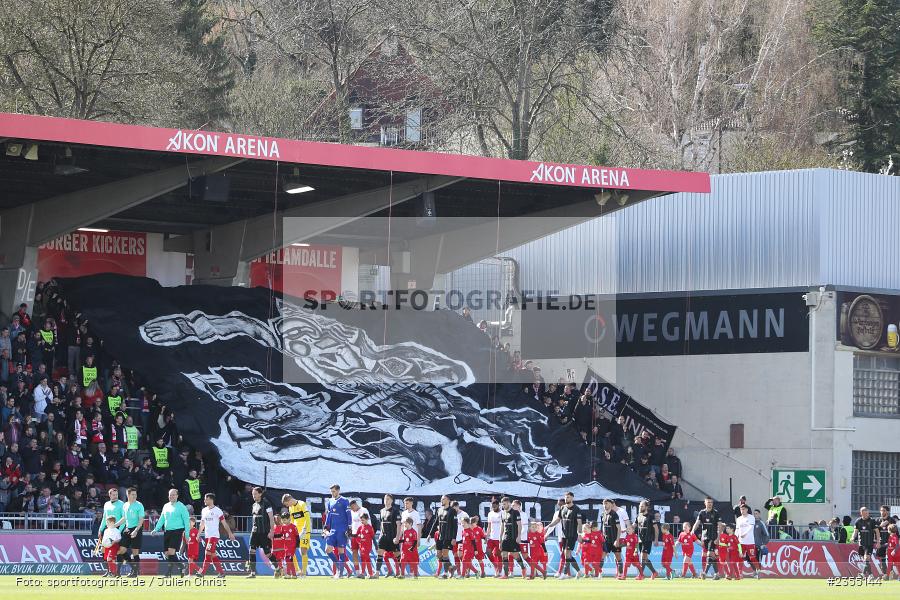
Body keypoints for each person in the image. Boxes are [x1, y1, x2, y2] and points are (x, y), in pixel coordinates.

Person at [152, 488, 191, 576]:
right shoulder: (166, 506)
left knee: (171, 552)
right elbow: (162, 518)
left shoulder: (181, 506)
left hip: (177, 531)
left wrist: (187, 535)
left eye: (173, 494)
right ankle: (181, 567)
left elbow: (186, 521)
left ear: (177, 496)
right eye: (170, 495)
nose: (171, 496)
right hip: (167, 531)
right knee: (167, 553)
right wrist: (156, 529)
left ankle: (168, 573)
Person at [544, 491, 582, 578]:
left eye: (568, 497)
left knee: (567, 553)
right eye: (565, 497)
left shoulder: (577, 509)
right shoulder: (563, 508)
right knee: (567, 555)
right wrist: (548, 526)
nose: (566, 498)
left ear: (572, 498)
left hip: (572, 535)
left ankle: (564, 574)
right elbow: (557, 520)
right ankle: (579, 571)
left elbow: (579, 523)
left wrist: (580, 534)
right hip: (564, 535)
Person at [197, 492, 235, 578]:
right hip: (207, 535)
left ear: (211, 499)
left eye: (206, 499)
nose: (204, 500)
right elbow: (202, 523)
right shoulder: (204, 510)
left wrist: (230, 534)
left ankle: (202, 572)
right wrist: (198, 534)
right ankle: (221, 573)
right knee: (213, 555)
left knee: (207, 552)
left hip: (214, 536)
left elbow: (224, 523)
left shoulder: (218, 510)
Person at [323, 483, 352, 579]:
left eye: (334, 491)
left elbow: (349, 515)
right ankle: (339, 567)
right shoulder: (330, 501)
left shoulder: (344, 501)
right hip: (332, 530)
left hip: (342, 530)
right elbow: (329, 515)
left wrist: (349, 527)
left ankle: (340, 573)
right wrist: (326, 527)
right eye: (331, 491)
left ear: (338, 490)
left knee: (341, 551)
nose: (332, 493)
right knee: (327, 550)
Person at [114, 487, 145, 578]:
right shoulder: (125, 505)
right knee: (121, 551)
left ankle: (134, 573)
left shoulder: (139, 505)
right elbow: (124, 518)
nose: (134, 496)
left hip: (136, 529)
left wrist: (136, 530)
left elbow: (141, 519)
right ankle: (118, 572)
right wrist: (115, 525)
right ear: (128, 495)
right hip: (127, 529)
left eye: (135, 494)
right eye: (132, 494)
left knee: (135, 552)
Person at [247, 486, 274, 578]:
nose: (253, 496)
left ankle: (278, 568)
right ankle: (253, 573)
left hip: (264, 532)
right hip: (254, 531)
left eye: (255, 494)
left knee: (267, 553)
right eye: (252, 494)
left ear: (260, 493)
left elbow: (271, 518)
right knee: (251, 550)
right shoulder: (254, 505)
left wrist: (271, 531)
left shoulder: (266, 503)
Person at [282, 493, 312, 577]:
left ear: (289, 500)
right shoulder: (291, 508)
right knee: (291, 551)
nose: (287, 506)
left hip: (305, 531)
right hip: (295, 532)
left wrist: (304, 530)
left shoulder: (302, 504)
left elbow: (307, 517)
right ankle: (297, 570)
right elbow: (291, 521)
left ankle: (304, 573)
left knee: (303, 551)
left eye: (287, 504)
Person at [692, 497, 721, 580]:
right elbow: (697, 523)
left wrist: (718, 537)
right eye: (708, 502)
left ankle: (704, 573)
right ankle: (717, 574)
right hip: (705, 537)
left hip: (713, 536)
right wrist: (692, 531)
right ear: (705, 503)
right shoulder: (702, 512)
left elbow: (720, 525)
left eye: (711, 502)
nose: (710, 504)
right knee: (712, 556)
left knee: (709, 554)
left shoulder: (715, 513)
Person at [96, 488, 125, 567]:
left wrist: (119, 530)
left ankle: (118, 571)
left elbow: (124, 518)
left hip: (118, 528)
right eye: (113, 495)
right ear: (109, 495)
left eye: (116, 495)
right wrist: (100, 529)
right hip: (108, 529)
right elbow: (104, 518)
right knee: (104, 549)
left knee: (118, 551)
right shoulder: (106, 504)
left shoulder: (122, 504)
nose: (115, 496)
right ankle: (108, 570)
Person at [433, 495, 458, 578]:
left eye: (443, 499)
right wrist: (430, 534)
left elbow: (455, 525)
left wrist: (454, 537)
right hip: (440, 536)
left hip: (448, 536)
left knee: (445, 553)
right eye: (441, 499)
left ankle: (445, 573)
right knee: (439, 555)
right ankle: (451, 567)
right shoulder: (439, 510)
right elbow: (436, 522)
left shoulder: (452, 511)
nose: (441, 500)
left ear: (448, 500)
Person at [377, 493, 401, 578]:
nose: (386, 500)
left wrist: (397, 537)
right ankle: (377, 573)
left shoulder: (395, 511)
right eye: (385, 499)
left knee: (397, 555)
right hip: (383, 536)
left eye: (387, 499)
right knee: (379, 553)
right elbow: (381, 524)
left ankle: (401, 573)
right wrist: (380, 535)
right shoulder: (381, 511)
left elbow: (398, 525)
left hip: (392, 537)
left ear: (391, 500)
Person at [499, 496, 522, 580]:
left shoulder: (515, 512)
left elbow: (519, 525)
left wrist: (519, 536)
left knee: (515, 555)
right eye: (502, 504)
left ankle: (523, 568)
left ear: (509, 503)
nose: (503, 506)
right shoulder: (503, 513)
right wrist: (500, 538)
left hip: (513, 537)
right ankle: (505, 575)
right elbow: (502, 525)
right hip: (505, 537)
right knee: (504, 554)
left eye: (504, 504)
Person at [735, 503, 761, 578]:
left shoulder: (751, 517)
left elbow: (750, 528)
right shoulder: (738, 519)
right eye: (741, 509)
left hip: (750, 542)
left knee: (752, 557)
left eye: (743, 509)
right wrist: (736, 538)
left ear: (746, 509)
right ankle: (740, 574)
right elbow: (737, 529)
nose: (742, 511)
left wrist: (744, 534)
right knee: (740, 557)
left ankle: (758, 571)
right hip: (741, 543)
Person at [636, 499, 659, 579]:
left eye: (642, 506)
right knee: (645, 558)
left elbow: (656, 528)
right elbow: (634, 525)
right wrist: (625, 528)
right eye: (639, 506)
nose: (640, 507)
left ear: (646, 507)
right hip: (640, 540)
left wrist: (656, 539)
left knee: (643, 556)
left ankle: (641, 575)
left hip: (648, 539)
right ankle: (654, 572)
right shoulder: (638, 516)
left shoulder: (650, 516)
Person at [853, 506, 879, 577]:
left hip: (869, 543)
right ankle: (868, 574)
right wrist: (853, 537)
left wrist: (878, 541)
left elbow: (877, 532)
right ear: (861, 513)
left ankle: (866, 574)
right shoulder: (858, 521)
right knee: (865, 560)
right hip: (861, 544)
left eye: (867, 513)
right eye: (864, 513)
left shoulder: (872, 521)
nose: (866, 515)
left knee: (866, 558)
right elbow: (855, 531)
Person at [601, 498, 623, 577]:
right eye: (604, 504)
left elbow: (619, 528)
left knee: (618, 556)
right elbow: (603, 527)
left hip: (614, 540)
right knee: (602, 556)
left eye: (606, 503)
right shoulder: (603, 514)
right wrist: (602, 537)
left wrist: (617, 540)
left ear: (611, 504)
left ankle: (621, 574)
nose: (605, 505)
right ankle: (599, 573)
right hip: (606, 540)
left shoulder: (614, 514)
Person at [274, 512, 299, 579]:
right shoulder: (283, 527)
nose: (284, 521)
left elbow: (297, 536)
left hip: (292, 546)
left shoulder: (293, 527)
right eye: (283, 520)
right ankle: (294, 575)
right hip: (286, 546)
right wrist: (274, 536)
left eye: (285, 520)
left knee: (288, 559)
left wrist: (297, 544)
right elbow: (281, 535)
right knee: (289, 560)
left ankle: (288, 574)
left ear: (289, 519)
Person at [349, 499, 370, 575]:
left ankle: (366, 572)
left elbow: (368, 523)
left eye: (352, 507)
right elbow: (352, 523)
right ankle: (357, 572)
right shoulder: (352, 512)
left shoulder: (364, 510)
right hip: (354, 536)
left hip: (362, 536)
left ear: (355, 505)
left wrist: (367, 535)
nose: (351, 509)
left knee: (363, 554)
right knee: (354, 553)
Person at [485, 499, 503, 575]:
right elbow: (489, 526)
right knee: (488, 553)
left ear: (499, 505)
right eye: (493, 507)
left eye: (495, 506)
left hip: (499, 538)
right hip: (492, 537)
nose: (494, 508)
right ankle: (496, 567)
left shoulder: (503, 513)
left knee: (499, 555)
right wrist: (487, 535)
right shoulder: (490, 514)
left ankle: (499, 571)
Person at [356, 513, 376, 579]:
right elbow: (356, 536)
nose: (362, 521)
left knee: (365, 558)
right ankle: (371, 574)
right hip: (361, 546)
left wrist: (376, 546)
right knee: (366, 559)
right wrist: (359, 542)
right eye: (361, 520)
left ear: (367, 519)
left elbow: (373, 537)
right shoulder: (360, 527)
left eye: (363, 520)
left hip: (368, 546)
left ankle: (362, 573)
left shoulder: (370, 528)